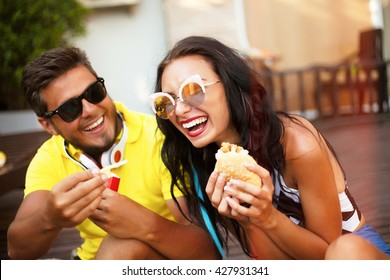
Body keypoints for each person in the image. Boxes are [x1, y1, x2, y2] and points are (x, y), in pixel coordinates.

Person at [148, 35, 390, 259]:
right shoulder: (211, 164)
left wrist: (267, 215)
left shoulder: (295, 144)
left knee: (344, 251)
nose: (178, 110)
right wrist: (247, 219)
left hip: (353, 257)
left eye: (192, 90)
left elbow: (326, 257)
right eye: (166, 101)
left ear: (230, 84)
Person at [7, 47, 219, 260]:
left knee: (122, 246)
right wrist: (49, 218)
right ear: (48, 126)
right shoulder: (49, 158)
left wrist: (142, 224)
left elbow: (207, 256)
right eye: (69, 109)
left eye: (93, 92)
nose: (90, 110)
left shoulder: (162, 137)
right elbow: (17, 252)